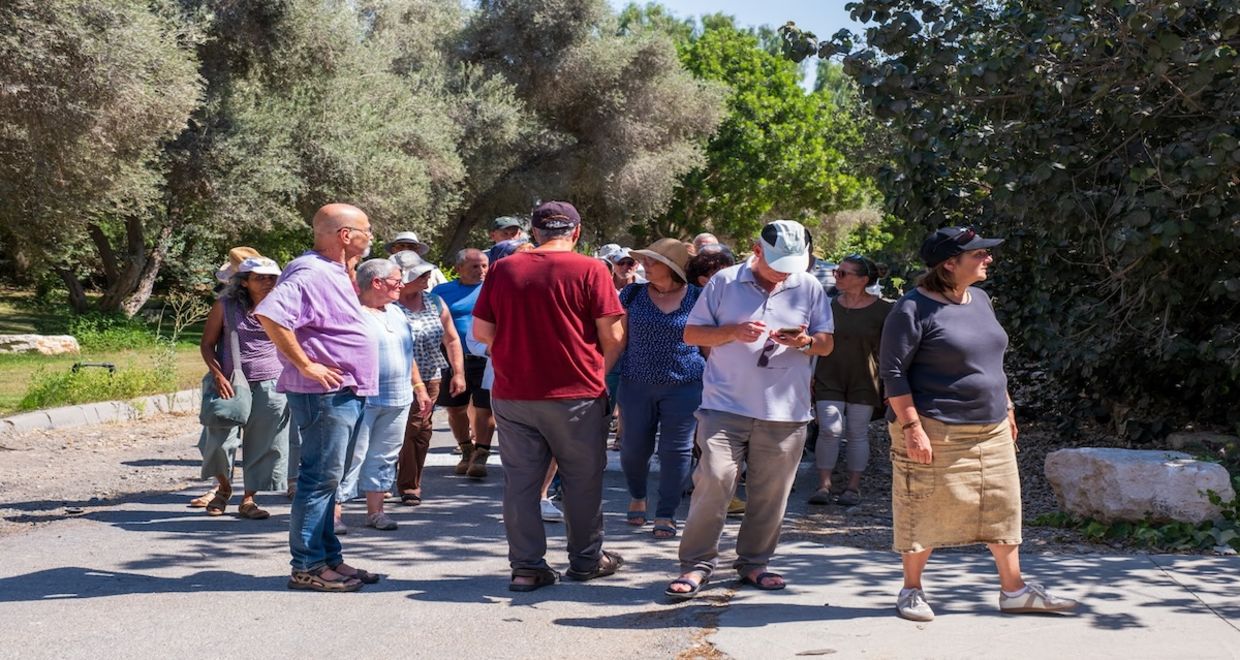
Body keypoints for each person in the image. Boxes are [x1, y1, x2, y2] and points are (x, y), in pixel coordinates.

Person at [881, 226, 1079, 622]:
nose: (988, 258)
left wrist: (1007, 406)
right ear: (949, 264)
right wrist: (912, 428)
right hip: (936, 427)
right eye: (978, 254)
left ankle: (1014, 590)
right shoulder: (911, 309)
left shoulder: (981, 299)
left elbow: (991, 361)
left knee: (1002, 507)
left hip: (991, 426)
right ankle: (911, 590)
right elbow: (893, 373)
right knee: (922, 506)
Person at [665, 220, 834, 600]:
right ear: (757, 251)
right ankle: (696, 563)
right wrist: (732, 332)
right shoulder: (724, 282)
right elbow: (691, 333)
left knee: (771, 494)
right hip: (724, 406)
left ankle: (755, 562)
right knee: (714, 482)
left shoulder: (808, 285)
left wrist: (804, 341)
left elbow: (826, 343)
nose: (786, 273)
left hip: (786, 411)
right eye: (779, 265)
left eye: (793, 265)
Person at [473, 201, 626, 592]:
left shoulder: (504, 269)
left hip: (514, 394)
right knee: (582, 481)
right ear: (576, 232)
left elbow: (481, 332)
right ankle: (586, 560)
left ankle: (526, 567)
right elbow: (613, 336)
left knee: (521, 484)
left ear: (535, 232)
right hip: (576, 394)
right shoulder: (592, 269)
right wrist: (598, 374)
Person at [255, 202, 379, 593]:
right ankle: (307, 566)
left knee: (329, 479)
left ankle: (328, 559)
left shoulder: (334, 270)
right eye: (366, 230)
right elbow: (271, 314)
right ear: (345, 235)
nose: (370, 236)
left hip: (344, 390)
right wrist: (307, 365)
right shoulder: (310, 271)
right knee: (318, 479)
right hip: (325, 394)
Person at [333, 259, 434, 533]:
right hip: (361, 398)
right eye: (396, 281)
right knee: (350, 456)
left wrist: (419, 387)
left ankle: (376, 512)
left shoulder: (397, 312)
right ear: (376, 282)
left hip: (398, 397)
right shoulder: (351, 312)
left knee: (385, 455)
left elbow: (407, 353)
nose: (401, 285)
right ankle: (334, 514)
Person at [616, 238, 704, 540]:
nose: (645, 265)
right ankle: (637, 495)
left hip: (685, 385)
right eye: (645, 260)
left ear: (672, 267)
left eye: (652, 261)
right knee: (633, 448)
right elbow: (618, 340)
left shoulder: (698, 297)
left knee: (676, 451)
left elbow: (707, 347)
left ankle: (666, 512)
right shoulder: (632, 294)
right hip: (636, 383)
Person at [193, 256, 290, 519]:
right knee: (219, 441)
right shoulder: (225, 306)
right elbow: (207, 344)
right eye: (260, 278)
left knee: (264, 443)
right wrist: (217, 375)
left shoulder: (283, 306)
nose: (268, 282)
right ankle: (224, 489)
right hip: (231, 383)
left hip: (272, 383)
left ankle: (248, 500)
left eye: (272, 278)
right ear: (244, 282)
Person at [809, 255, 893, 506]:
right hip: (828, 375)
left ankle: (852, 487)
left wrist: (891, 385)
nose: (837, 276)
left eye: (844, 273)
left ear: (863, 280)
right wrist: (809, 376)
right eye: (837, 271)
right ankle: (823, 486)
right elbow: (816, 341)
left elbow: (891, 349)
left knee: (857, 432)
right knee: (829, 429)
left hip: (865, 379)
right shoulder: (827, 305)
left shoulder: (885, 310)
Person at [391, 251, 466, 505]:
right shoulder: (388, 304)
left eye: (426, 272)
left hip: (431, 375)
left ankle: (410, 484)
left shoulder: (435, 301)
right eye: (419, 274)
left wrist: (458, 373)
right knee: (402, 428)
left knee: (421, 429)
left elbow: (452, 339)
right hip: (394, 377)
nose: (426, 276)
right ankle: (388, 480)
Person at [431, 248, 495, 478]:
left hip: (486, 358)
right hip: (452, 359)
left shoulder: (494, 289)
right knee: (455, 408)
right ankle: (466, 449)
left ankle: (481, 455)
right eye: (475, 266)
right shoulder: (441, 292)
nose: (481, 271)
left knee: (485, 408)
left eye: (484, 265)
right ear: (459, 269)